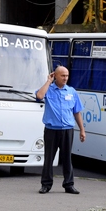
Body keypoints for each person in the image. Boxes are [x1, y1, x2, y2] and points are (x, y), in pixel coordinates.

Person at [35, 65, 85, 194]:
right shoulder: (49, 89)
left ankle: (69, 184)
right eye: (62, 75)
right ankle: (46, 184)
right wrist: (48, 81)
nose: (65, 78)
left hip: (67, 129)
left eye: (67, 76)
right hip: (52, 130)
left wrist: (82, 130)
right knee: (49, 158)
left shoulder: (71, 91)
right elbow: (39, 96)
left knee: (67, 158)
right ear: (55, 76)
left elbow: (77, 112)